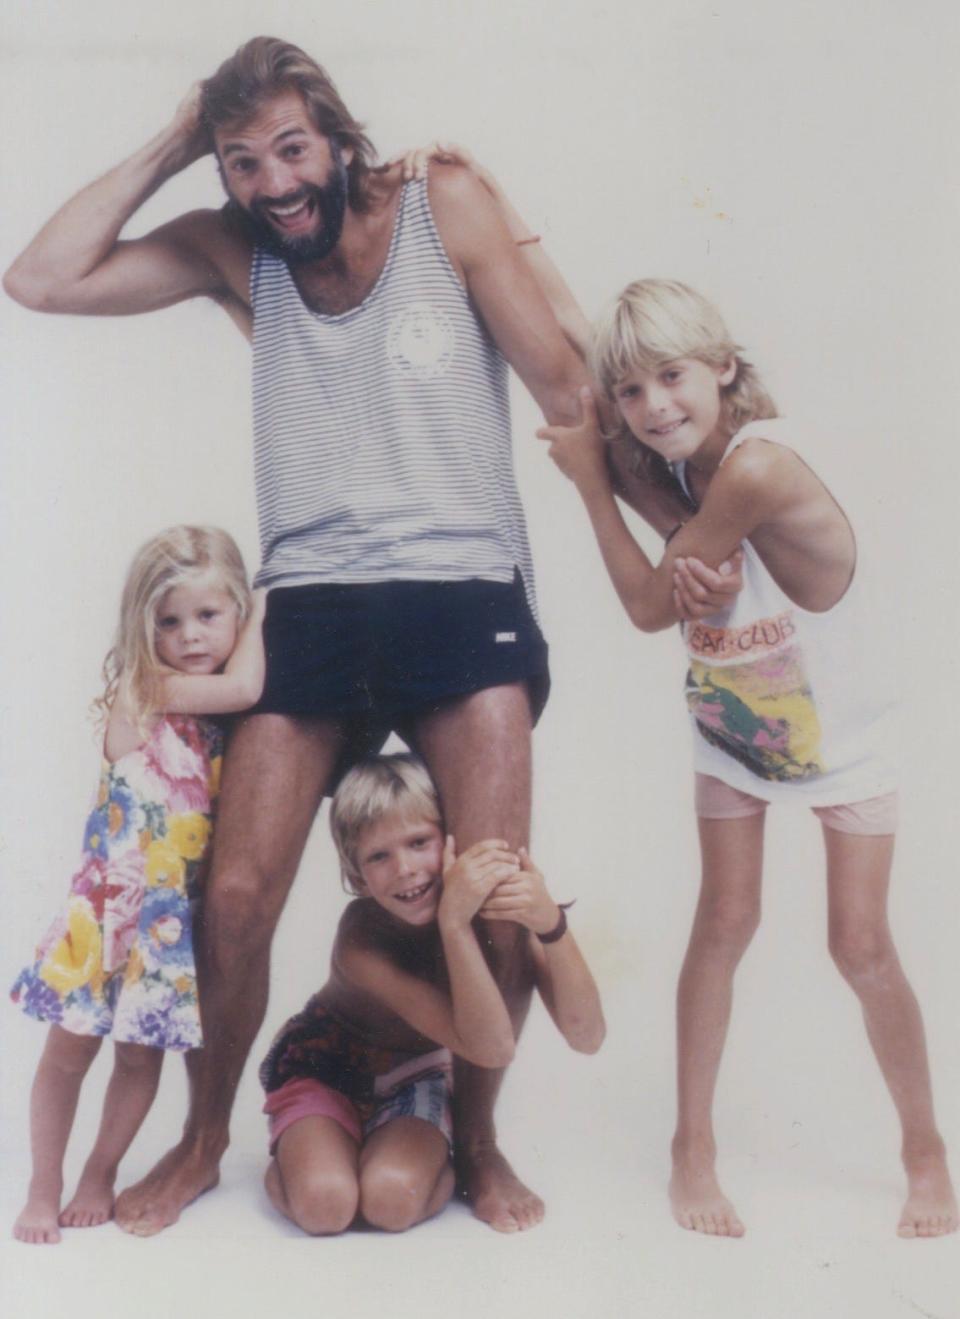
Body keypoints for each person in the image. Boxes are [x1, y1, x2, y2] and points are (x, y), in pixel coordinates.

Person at [2, 37, 730, 1235]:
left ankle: (480, 1142)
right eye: (243, 162)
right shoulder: (238, 250)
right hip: (318, 603)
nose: (275, 181)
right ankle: (198, 1136)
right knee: (233, 893)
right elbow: (40, 277)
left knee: (491, 887)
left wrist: (681, 533)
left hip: (462, 589)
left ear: (339, 137)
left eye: (292, 147)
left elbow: (566, 389)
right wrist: (180, 138)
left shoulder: (437, 206)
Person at [536, 278, 958, 1240]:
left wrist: (593, 485)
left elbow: (647, 608)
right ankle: (693, 1144)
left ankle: (924, 1147)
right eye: (632, 392)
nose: (653, 409)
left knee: (861, 945)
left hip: (843, 732)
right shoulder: (675, 465)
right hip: (733, 716)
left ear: (725, 367)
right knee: (723, 921)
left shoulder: (756, 470)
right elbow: (566, 333)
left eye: (674, 377)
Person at [10, 526, 266, 1244]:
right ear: (142, 626)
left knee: (138, 1052)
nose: (188, 636)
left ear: (234, 614)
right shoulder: (145, 685)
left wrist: (250, 610)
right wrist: (265, 607)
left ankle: (101, 1169)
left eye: (210, 616)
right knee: (68, 1050)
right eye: (169, 620)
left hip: (165, 924)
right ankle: (43, 1182)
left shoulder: (228, 720)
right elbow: (246, 682)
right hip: (106, 910)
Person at [260, 754, 603, 1235]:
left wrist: (551, 926)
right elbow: (492, 1048)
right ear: (356, 876)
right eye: (379, 856)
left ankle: (443, 1163)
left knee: (390, 1203)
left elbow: (587, 1037)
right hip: (325, 1070)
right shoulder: (360, 937)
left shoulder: (494, 919)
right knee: (324, 1207)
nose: (405, 869)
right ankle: (299, 1160)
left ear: (448, 841)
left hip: (414, 1078)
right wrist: (454, 923)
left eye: (419, 843)